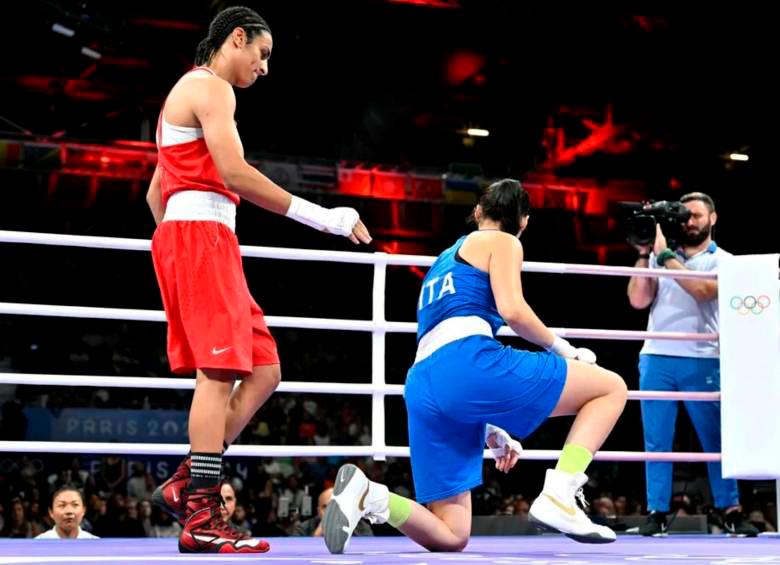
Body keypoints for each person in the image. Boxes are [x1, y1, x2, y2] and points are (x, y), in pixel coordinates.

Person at [145, 6, 371, 554]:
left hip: (201, 238)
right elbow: (234, 174)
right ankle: (201, 510)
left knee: (264, 368)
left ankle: (185, 482)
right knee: (219, 371)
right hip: (201, 238)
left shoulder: (187, 97)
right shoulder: (212, 88)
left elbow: (156, 193)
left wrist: (186, 241)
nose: (264, 67)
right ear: (236, 39)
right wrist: (325, 217)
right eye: (262, 54)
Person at [322, 179, 628, 554]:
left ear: (478, 211)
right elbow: (512, 310)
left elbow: (448, 356)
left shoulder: (442, 261)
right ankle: (561, 493)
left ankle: (369, 496)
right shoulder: (503, 241)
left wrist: (489, 428)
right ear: (524, 221)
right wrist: (563, 348)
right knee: (610, 388)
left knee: (451, 534)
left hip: (423, 382)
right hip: (466, 363)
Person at [626, 192, 758, 537]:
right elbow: (638, 300)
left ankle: (730, 510)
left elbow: (701, 291)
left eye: (697, 215)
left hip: (703, 357)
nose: (690, 221)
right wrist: (644, 254)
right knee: (656, 440)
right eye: (686, 216)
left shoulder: (724, 261)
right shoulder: (660, 257)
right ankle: (656, 511)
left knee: (716, 439)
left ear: (713, 218)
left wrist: (665, 255)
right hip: (656, 355)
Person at [296, 487, 372, 537]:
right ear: (318, 511)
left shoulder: (362, 528)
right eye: (325, 507)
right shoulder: (303, 529)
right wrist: (317, 535)